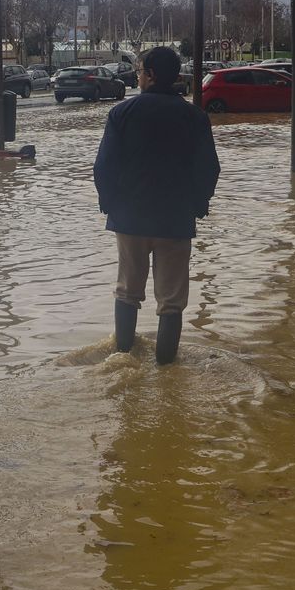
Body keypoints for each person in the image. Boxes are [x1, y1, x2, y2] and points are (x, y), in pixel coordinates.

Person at [93, 46, 220, 365]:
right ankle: (168, 372)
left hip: (129, 219)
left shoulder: (122, 113)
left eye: (139, 71)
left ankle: (122, 361)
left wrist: (108, 202)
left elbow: (104, 166)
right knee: (172, 300)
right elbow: (209, 168)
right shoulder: (195, 116)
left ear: (149, 75)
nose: (137, 76)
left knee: (127, 291)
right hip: (175, 220)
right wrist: (198, 204)